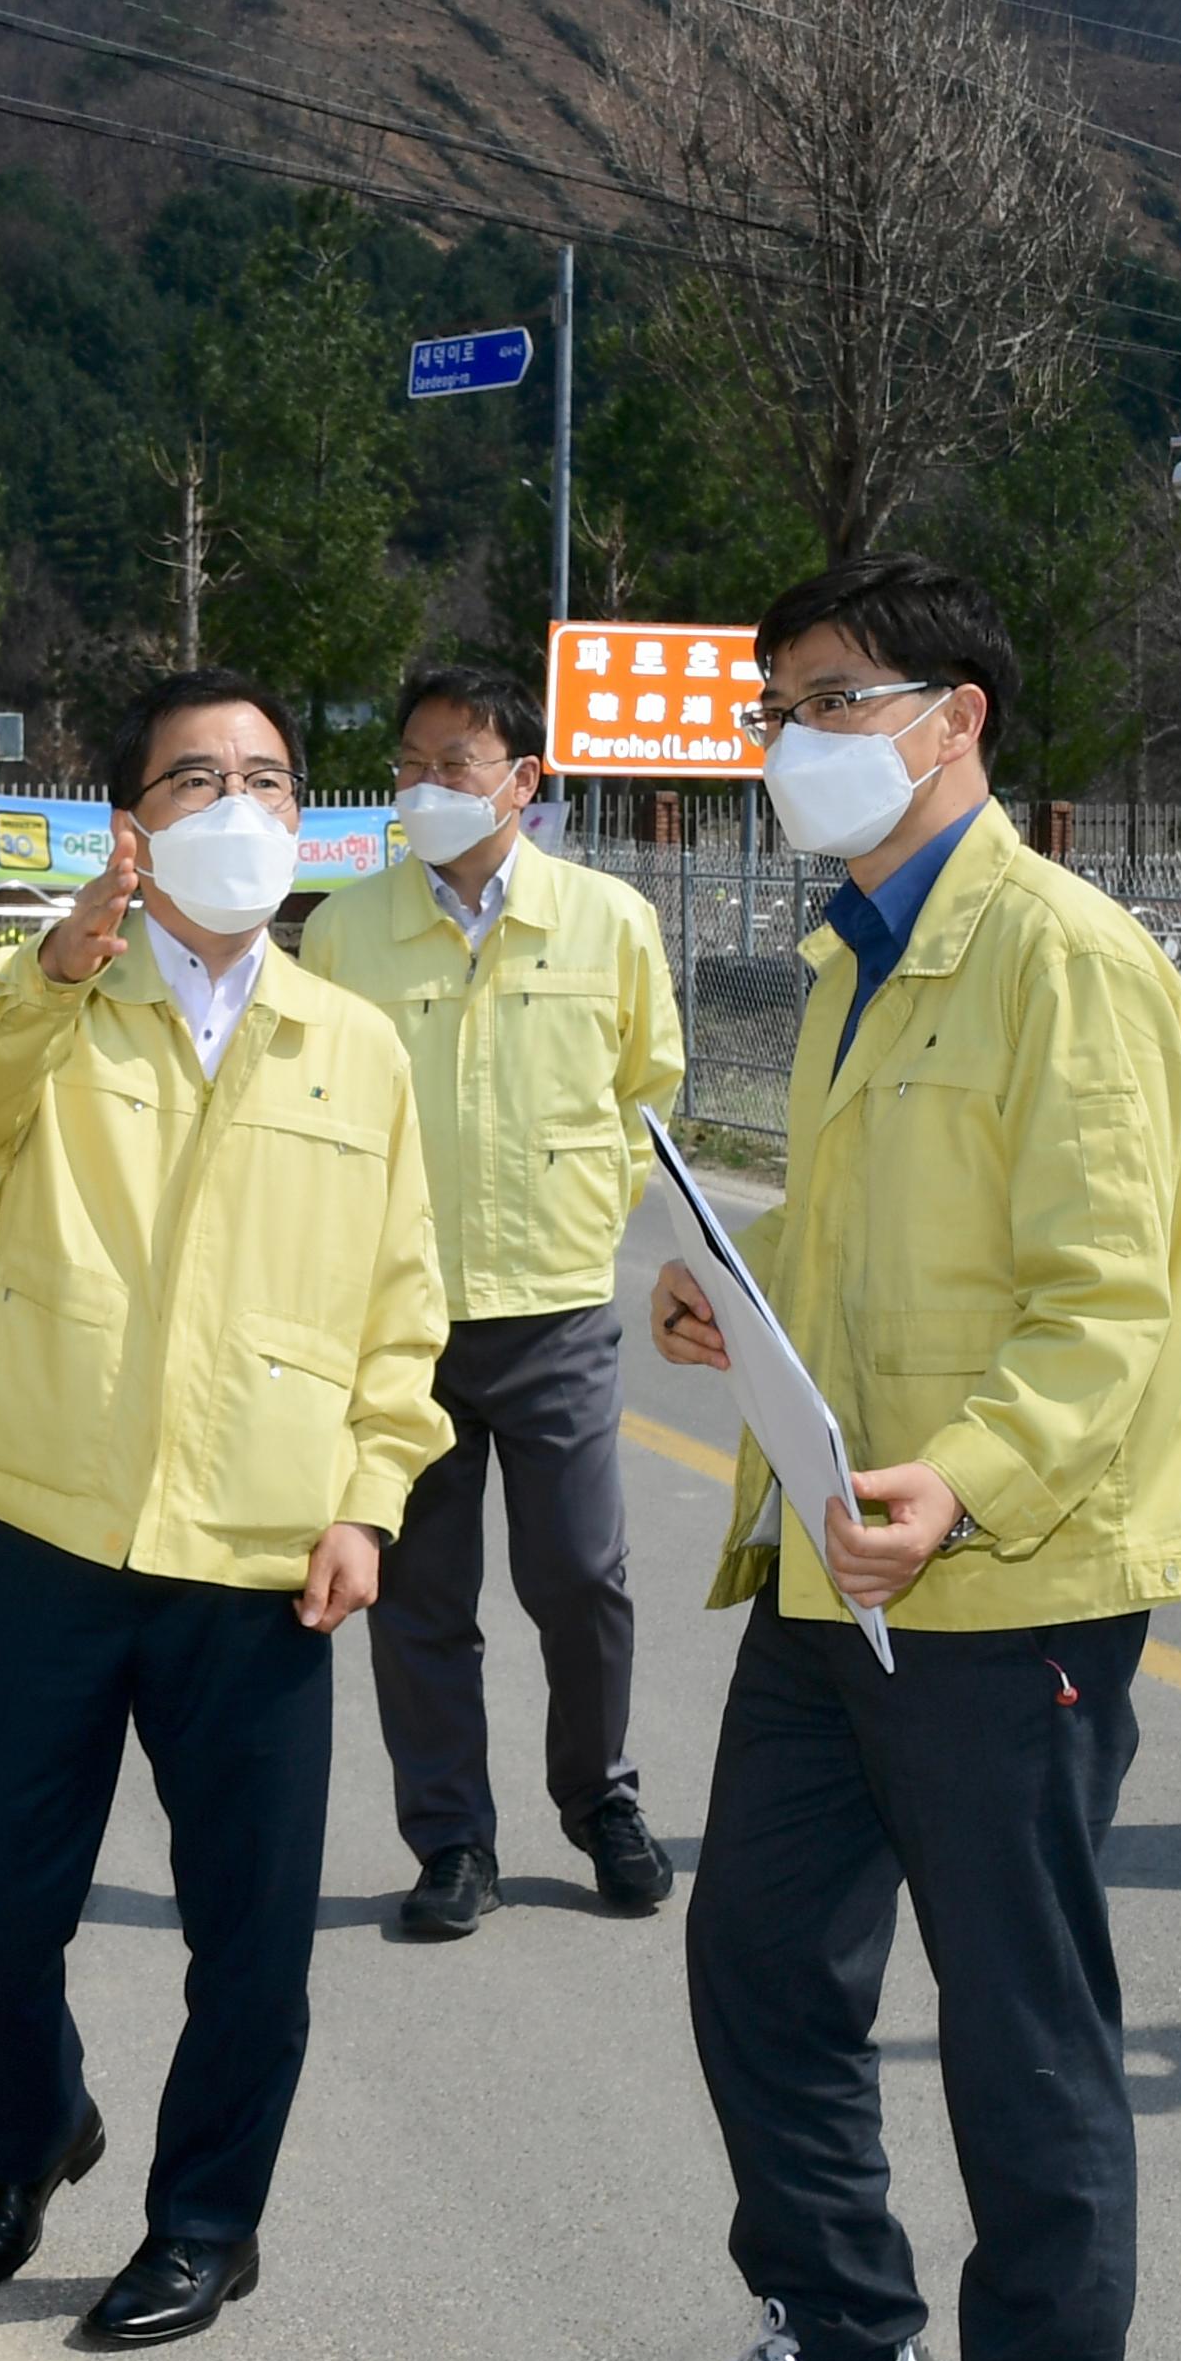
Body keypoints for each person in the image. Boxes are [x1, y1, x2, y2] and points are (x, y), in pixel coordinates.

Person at [650, 557, 1181, 2361]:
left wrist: (958, 1482)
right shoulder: (851, 956)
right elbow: (887, 1227)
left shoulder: (1066, 955)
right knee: (755, 1966)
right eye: (773, 709)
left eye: (827, 700)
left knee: (1019, 2034)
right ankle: (841, 2329)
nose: (786, 740)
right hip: (830, 1566)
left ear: (952, 716)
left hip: (999, 1582)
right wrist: (734, 1292)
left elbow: (1105, 1300)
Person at [0, 668, 451, 2347]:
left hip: (258, 1550)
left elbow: (398, 1304)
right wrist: (59, 953)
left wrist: (367, 1499)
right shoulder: (48, 1005)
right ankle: (31, 2132)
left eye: (265, 778)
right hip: (43, 1524)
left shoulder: (349, 1044)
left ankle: (205, 2220)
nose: (236, 806)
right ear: (128, 825)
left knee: (249, 1935)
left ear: (304, 820)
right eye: (193, 779)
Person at [303, 666, 686, 1937]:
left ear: (524, 780)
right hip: (400, 1316)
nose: (423, 784)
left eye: (454, 762)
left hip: (556, 1305)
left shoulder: (608, 920)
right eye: (409, 761)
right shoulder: (349, 930)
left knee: (582, 1574)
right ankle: (452, 1837)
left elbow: (648, 1089)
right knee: (420, 1596)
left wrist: (587, 1209)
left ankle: (599, 1795)